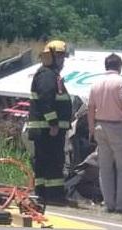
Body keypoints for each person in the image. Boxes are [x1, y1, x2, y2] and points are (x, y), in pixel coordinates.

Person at [87, 53, 122, 213]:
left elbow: (90, 107)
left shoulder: (96, 83)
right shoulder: (121, 81)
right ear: (119, 66)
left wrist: (91, 128)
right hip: (118, 127)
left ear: (106, 66)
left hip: (100, 126)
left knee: (105, 168)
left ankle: (109, 203)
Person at [27, 40, 73, 205]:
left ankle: (43, 194)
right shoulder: (47, 75)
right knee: (53, 162)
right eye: (60, 56)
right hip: (48, 129)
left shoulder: (50, 74)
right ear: (51, 57)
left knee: (44, 162)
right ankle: (53, 196)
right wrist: (53, 123)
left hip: (46, 129)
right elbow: (46, 100)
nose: (62, 61)